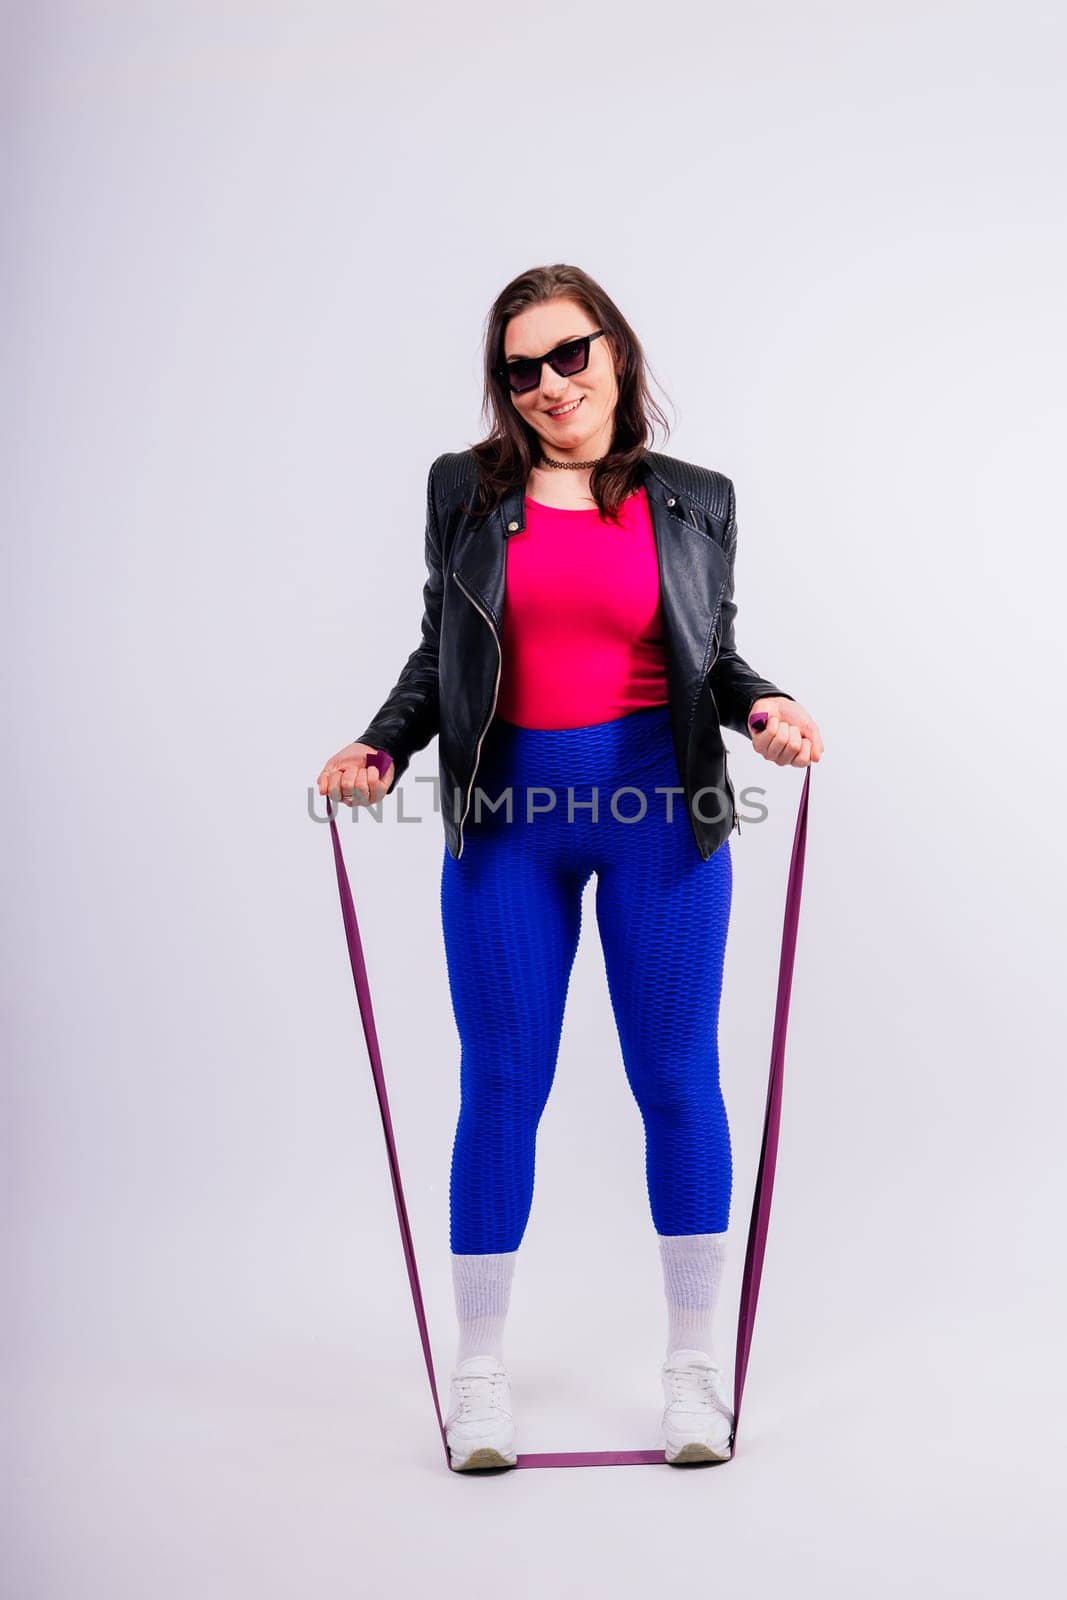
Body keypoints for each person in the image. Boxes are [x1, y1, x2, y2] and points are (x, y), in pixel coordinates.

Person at [317, 263, 823, 1471]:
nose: (548, 385)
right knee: (499, 1084)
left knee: (674, 1078)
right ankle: (478, 1380)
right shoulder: (464, 491)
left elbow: (716, 650)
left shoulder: (694, 497)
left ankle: (692, 1373)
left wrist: (768, 708)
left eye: (568, 355)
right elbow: (442, 643)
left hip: (663, 812)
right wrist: (381, 744)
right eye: (520, 369)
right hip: (509, 818)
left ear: (614, 351)